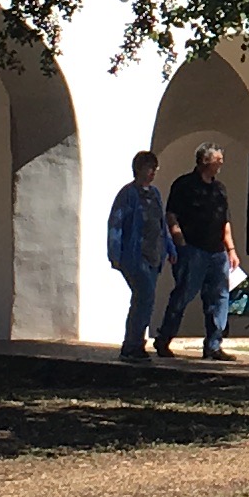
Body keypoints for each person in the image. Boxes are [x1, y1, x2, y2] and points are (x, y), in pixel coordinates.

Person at [160, 145, 241, 363]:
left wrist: (231, 250)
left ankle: (214, 345)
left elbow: (224, 221)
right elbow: (171, 215)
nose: (221, 164)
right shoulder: (184, 185)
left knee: (219, 297)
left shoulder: (220, 189)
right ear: (205, 161)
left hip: (217, 253)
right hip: (193, 250)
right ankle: (164, 339)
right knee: (183, 294)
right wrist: (180, 242)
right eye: (218, 160)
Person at [105, 148, 168, 362]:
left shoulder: (155, 194)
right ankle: (131, 345)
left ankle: (135, 343)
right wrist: (115, 253)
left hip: (154, 255)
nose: (152, 172)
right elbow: (116, 223)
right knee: (144, 297)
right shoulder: (128, 194)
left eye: (154, 168)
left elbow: (161, 224)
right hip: (135, 255)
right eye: (149, 168)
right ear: (138, 169)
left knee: (145, 300)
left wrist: (170, 248)